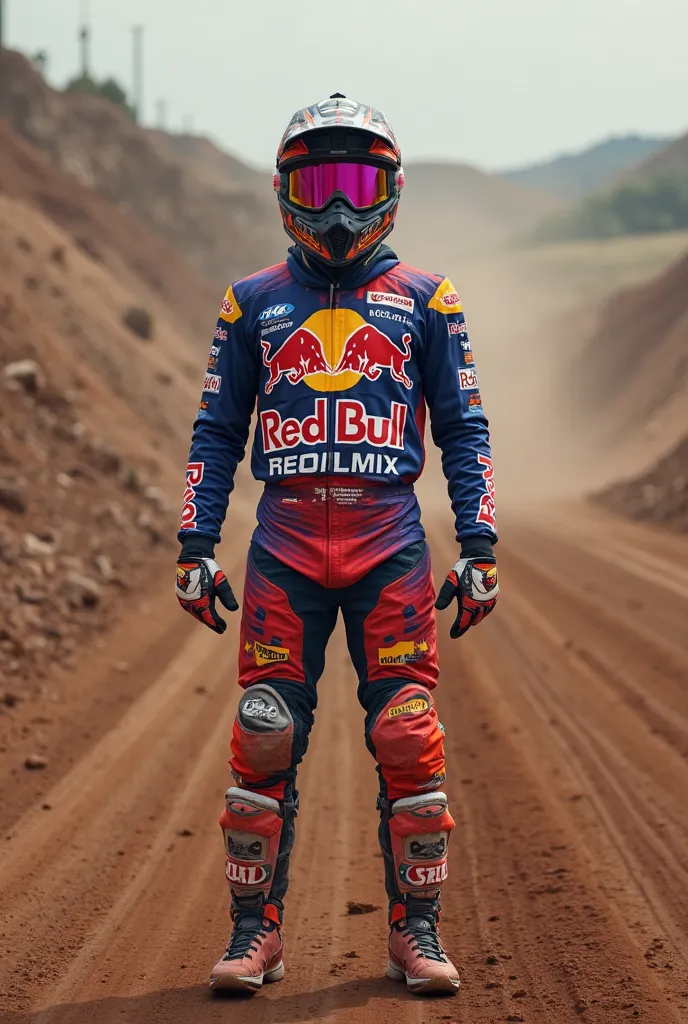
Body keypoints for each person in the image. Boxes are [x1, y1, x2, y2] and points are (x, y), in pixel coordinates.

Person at [175, 93, 499, 997]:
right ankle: (254, 937)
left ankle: (417, 934)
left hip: (388, 540)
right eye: (318, 186)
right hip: (282, 545)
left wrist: (481, 541)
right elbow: (215, 430)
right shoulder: (249, 304)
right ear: (285, 193)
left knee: (407, 733)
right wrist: (194, 542)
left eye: (359, 185)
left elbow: (464, 429)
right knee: (264, 734)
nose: (339, 211)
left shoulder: (429, 299)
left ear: (391, 191)